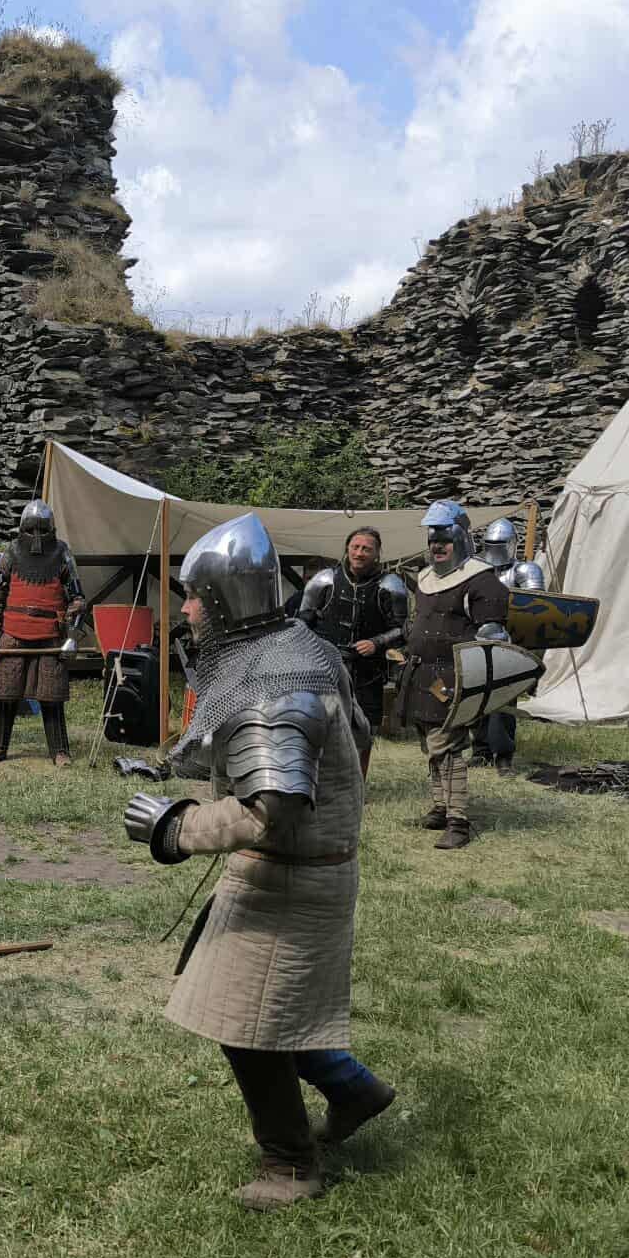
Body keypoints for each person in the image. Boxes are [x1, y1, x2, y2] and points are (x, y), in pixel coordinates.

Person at [121, 513, 384, 1211]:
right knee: (251, 1002)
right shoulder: (300, 649)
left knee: (247, 1025)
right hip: (290, 869)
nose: (185, 611)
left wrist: (176, 827)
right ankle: (355, 1090)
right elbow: (354, 740)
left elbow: (273, 809)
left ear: (225, 600)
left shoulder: (275, 679)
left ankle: (290, 1166)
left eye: (193, 597)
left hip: (293, 872)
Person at [403, 500, 510, 850]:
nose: (437, 546)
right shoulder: (425, 579)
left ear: (461, 538)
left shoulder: (481, 580)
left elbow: (493, 637)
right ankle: (439, 806)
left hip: (452, 677)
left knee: (448, 748)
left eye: (444, 539)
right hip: (422, 674)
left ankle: (458, 820)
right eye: (433, 539)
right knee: (431, 746)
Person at [0, 499, 86, 768]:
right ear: (22, 529)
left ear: (51, 529)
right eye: (31, 529)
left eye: (42, 529)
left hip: (50, 636)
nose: (37, 536)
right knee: (5, 694)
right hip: (13, 634)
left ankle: (59, 750)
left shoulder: (62, 553)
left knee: (52, 696)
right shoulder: (11, 553)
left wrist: (72, 637)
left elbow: (77, 600)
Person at [297, 525, 408, 772]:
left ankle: (357, 785)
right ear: (347, 548)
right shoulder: (324, 580)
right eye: (355, 547)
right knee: (319, 729)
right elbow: (302, 623)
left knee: (363, 734)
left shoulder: (390, 585)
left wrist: (376, 643)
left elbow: (403, 630)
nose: (359, 553)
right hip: (325, 670)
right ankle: (320, 784)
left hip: (368, 674)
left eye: (366, 549)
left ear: (377, 553)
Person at [468, 518, 542, 777]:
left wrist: (530, 657)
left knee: (503, 704)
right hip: (477, 642)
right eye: (491, 543)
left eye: (499, 543)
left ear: (512, 544)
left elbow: (536, 613)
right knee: (477, 699)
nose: (495, 548)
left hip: (510, 646)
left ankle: (503, 757)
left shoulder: (525, 571)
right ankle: (480, 751)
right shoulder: (476, 570)